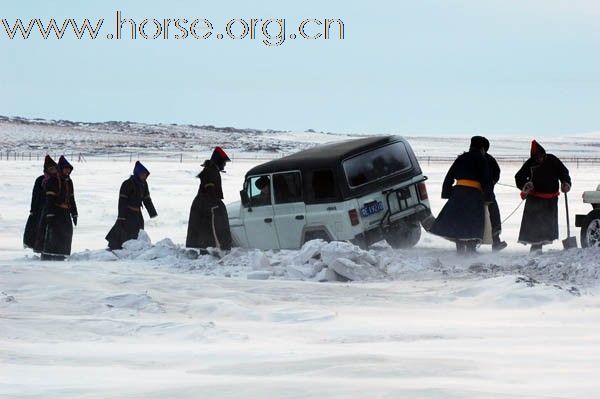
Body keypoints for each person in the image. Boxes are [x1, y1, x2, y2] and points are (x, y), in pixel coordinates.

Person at [430, 136, 493, 254]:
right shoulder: (482, 159)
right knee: (473, 222)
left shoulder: (461, 158)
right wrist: (488, 197)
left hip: (458, 194)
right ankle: (470, 250)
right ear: (482, 148)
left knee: (458, 221)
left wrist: (448, 193)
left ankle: (459, 250)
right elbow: (486, 180)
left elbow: (449, 176)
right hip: (474, 195)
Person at [515, 140, 571, 254]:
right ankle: (536, 248)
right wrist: (525, 185)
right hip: (534, 199)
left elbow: (563, 172)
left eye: (539, 157)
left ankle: (538, 247)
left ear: (543, 154)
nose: (538, 159)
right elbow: (519, 177)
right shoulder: (530, 163)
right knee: (534, 225)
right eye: (536, 158)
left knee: (546, 225)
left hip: (551, 199)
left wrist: (565, 182)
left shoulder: (552, 159)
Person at [186, 147, 232, 252]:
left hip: (207, 203)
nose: (224, 165)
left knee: (207, 227)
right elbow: (209, 189)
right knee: (209, 227)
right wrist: (213, 204)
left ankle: (209, 248)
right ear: (218, 161)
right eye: (224, 162)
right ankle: (211, 249)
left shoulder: (211, 170)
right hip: (206, 204)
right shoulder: (211, 171)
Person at [106, 161, 158, 250]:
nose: (144, 176)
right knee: (126, 232)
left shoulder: (144, 184)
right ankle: (124, 249)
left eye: (145, 174)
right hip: (127, 213)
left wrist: (152, 212)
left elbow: (147, 199)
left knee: (139, 232)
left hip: (138, 214)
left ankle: (136, 249)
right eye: (142, 174)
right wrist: (121, 216)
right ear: (138, 173)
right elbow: (122, 201)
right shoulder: (127, 184)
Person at [41, 155, 78, 261]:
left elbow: (71, 198)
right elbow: (50, 199)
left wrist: (74, 213)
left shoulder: (69, 181)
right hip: (56, 212)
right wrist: (50, 214)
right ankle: (48, 256)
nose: (67, 171)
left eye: (68, 169)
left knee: (66, 234)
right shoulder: (53, 180)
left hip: (65, 212)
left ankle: (62, 255)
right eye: (65, 169)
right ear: (61, 169)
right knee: (54, 235)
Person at [24, 155, 57, 252]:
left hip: (54, 208)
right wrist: (33, 209)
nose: (53, 170)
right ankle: (40, 248)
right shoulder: (40, 180)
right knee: (40, 230)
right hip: (41, 208)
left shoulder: (58, 179)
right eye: (51, 169)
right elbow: (35, 195)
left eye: (55, 168)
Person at [482, 138, 507, 251]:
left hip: (472, 193)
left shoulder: (467, 157)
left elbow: (496, 174)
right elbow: (496, 173)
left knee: (493, 216)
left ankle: (496, 241)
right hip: (485, 193)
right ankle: (495, 241)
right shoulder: (489, 159)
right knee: (493, 216)